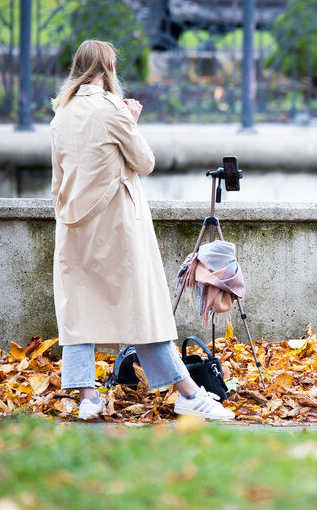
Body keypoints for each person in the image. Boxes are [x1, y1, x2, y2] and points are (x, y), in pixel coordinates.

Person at [50, 40, 234, 420]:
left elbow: (59, 181)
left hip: (74, 228)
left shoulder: (61, 114)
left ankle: (88, 397)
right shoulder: (112, 109)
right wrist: (130, 121)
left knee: (78, 313)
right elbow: (145, 162)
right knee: (143, 310)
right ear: (108, 69)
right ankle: (186, 393)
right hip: (116, 226)